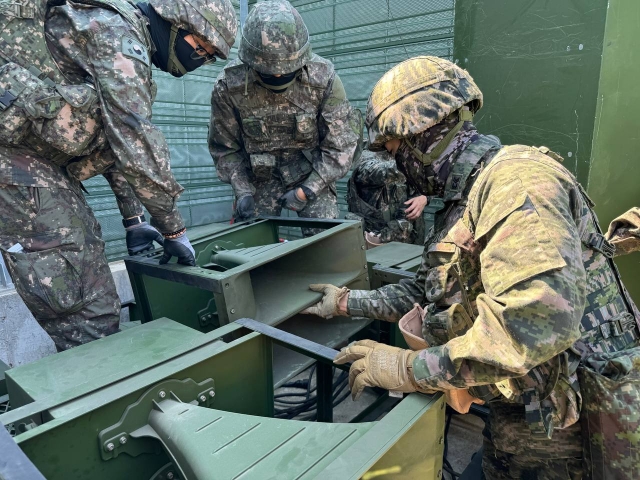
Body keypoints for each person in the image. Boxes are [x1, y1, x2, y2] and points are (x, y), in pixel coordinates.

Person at [303, 56, 640, 479]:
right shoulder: (466, 203)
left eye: (393, 148)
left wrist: (411, 370)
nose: (396, 163)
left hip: (571, 435)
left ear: (419, 136)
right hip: (523, 422)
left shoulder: (515, 182)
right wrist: (346, 303)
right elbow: (428, 293)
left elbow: (536, 321)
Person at [0, 0, 237, 351]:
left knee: (88, 276)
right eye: (200, 47)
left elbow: (113, 141)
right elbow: (135, 142)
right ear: (174, 22)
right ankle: (98, 391)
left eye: (209, 56)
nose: (200, 59)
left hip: (30, 154)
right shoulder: (118, 35)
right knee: (82, 302)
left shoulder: (121, 33)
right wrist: (172, 226)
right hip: (14, 157)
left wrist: (134, 219)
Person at [208, 0, 362, 236]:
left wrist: (307, 191)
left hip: (312, 173)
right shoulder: (229, 85)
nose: (278, 73)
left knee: (325, 243)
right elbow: (225, 148)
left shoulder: (324, 78)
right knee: (252, 242)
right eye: (269, 69)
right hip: (258, 178)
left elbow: (340, 146)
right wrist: (243, 192)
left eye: (286, 67)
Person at [346, 150, 425, 247]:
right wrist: (416, 163)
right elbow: (379, 172)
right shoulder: (367, 156)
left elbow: (426, 186)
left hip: (409, 237)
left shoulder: (406, 153)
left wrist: (424, 197)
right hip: (377, 242)